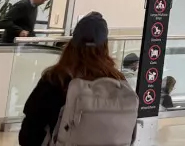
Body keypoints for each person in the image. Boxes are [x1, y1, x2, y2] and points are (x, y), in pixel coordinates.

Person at [18, 12, 137, 146]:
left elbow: (28, 135)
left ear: (72, 44)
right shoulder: (118, 81)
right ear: (104, 46)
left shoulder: (56, 79)